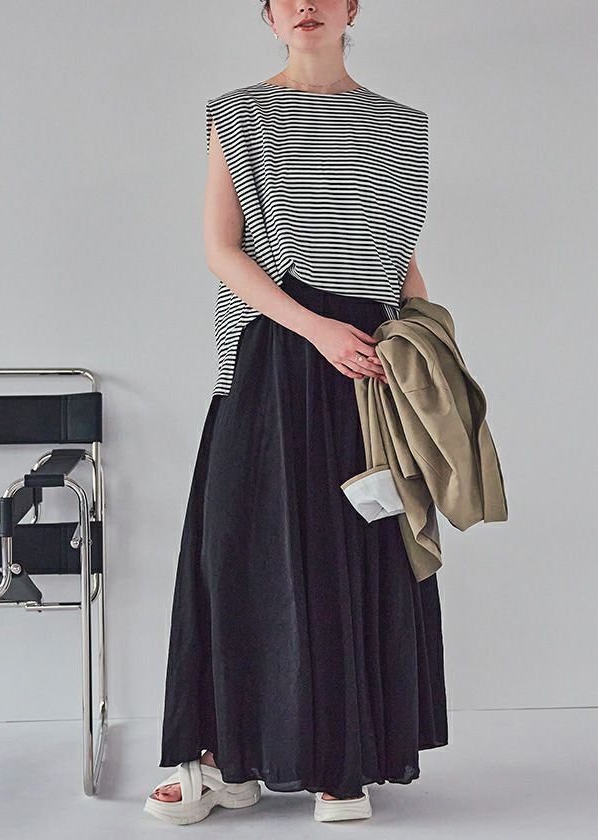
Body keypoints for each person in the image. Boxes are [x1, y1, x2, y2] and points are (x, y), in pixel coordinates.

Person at [144, 0, 448, 825]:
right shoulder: (240, 113)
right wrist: (316, 329)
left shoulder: (402, 125)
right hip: (276, 348)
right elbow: (223, 249)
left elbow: (400, 257)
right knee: (238, 550)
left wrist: (424, 350)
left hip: (371, 358)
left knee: (355, 550)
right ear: (271, 16)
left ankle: (339, 765)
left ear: (352, 9)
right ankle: (228, 758)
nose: (306, 5)